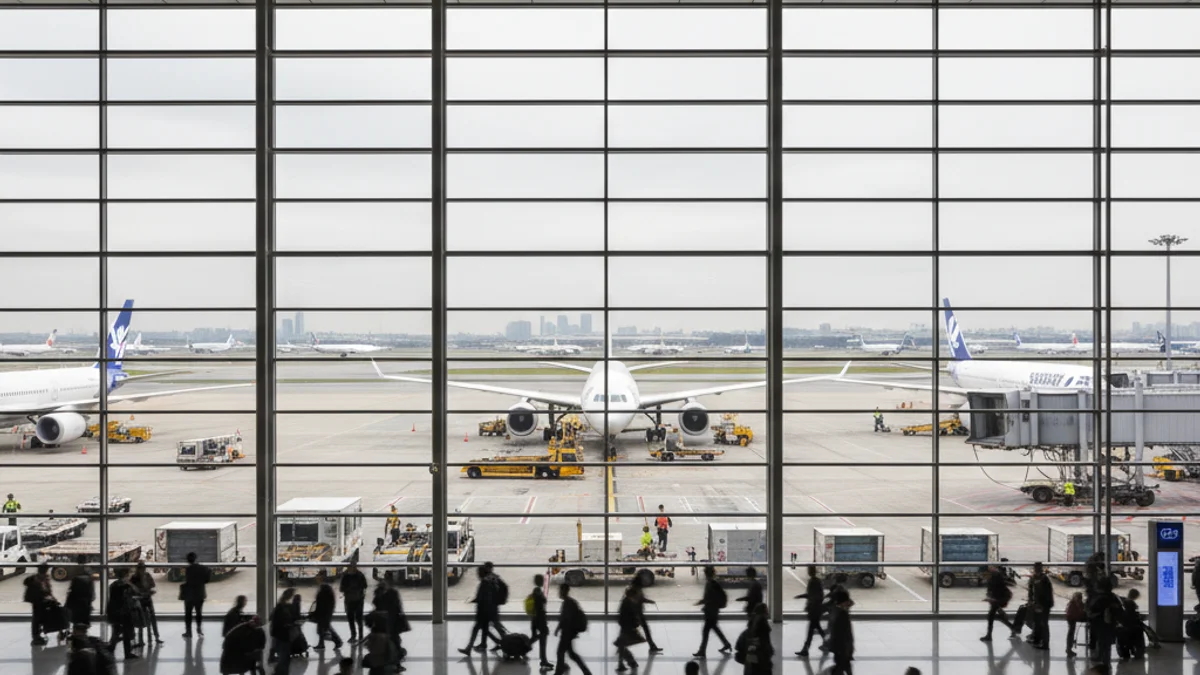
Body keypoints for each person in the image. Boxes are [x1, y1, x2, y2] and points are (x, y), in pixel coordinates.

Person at [460, 563, 505, 655]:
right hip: (491, 609)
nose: (477, 574)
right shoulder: (491, 580)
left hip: (485, 611)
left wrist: (476, 601)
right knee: (486, 629)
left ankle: (469, 648)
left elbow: (483, 598)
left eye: (478, 572)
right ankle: (498, 642)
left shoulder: (485, 582)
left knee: (477, 628)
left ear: (482, 573)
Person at [694, 565, 732, 658]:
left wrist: (704, 602)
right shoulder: (712, 583)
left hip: (711, 611)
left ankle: (702, 651)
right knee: (714, 628)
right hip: (712, 610)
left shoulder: (711, 584)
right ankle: (726, 644)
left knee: (706, 631)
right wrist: (703, 602)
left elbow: (710, 598)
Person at [554, 584, 591, 675]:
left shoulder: (568, 603)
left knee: (560, 652)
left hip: (567, 633)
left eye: (560, 590)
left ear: (564, 591)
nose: (559, 593)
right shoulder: (570, 602)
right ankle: (586, 672)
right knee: (571, 654)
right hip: (569, 632)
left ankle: (559, 672)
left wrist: (559, 628)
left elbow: (566, 619)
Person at [1087, 578, 1121, 667]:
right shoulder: (1113, 597)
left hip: (1100, 623)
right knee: (1106, 642)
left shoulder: (1099, 598)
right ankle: (1105, 659)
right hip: (1110, 623)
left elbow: (1092, 610)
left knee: (1102, 641)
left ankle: (1103, 659)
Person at [106, 568, 138, 661]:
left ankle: (111, 649)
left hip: (114, 611)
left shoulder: (113, 585)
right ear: (125, 575)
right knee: (126, 633)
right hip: (124, 612)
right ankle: (127, 653)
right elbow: (135, 592)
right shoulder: (126, 586)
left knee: (116, 632)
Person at [794, 565, 826, 657]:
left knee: (812, 630)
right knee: (816, 629)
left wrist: (800, 596)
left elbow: (810, 595)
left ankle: (806, 649)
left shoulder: (812, 582)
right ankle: (827, 643)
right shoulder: (818, 581)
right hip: (817, 609)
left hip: (814, 609)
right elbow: (818, 595)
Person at [735, 603, 773, 675]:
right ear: (764, 612)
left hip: (750, 657)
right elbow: (765, 644)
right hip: (761, 660)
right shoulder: (763, 625)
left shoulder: (751, 625)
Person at [181, 551, 212, 638]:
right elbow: (208, 576)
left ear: (188, 560)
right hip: (200, 593)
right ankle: (199, 630)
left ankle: (188, 632)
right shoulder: (203, 568)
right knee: (199, 613)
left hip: (189, 595)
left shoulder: (188, 569)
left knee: (188, 614)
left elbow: (188, 581)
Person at [130, 560, 161, 646]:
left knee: (149, 618)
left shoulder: (138, 577)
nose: (143, 570)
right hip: (143, 599)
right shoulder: (138, 577)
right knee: (143, 619)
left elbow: (152, 585)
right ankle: (148, 638)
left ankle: (153, 637)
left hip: (145, 599)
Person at [980, 564, 1013, 642]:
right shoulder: (991, 577)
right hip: (998, 598)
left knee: (991, 616)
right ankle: (1013, 628)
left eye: (983, 574)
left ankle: (989, 636)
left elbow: (997, 590)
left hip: (1000, 598)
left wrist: (991, 599)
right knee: (999, 616)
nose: (982, 576)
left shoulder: (995, 577)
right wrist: (989, 597)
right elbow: (990, 590)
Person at [24, 562, 54, 646]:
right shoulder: (39, 579)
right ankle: (36, 636)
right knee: (37, 619)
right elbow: (45, 590)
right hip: (39, 601)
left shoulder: (37, 578)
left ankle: (37, 635)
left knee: (37, 618)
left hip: (38, 601)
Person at [630, 577, 662, 655]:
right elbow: (639, 600)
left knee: (645, 630)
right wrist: (649, 601)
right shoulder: (635, 590)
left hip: (638, 613)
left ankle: (652, 645)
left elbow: (640, 599)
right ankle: (652, 646)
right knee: (644, 630)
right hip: (637, 614)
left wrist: (648, 601)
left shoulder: (635, 589)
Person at [270, 589, 298, 675]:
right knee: (284, 659)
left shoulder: (282, 606)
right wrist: (289, 625)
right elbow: (280, 622)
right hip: (282, 636)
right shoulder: (282, 607)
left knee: (284, 659)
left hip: (281, 635)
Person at [615, 586, 643, 672]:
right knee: (621, 646)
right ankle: (629, 662)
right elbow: (632, 617)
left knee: (621, 646)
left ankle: (625, 663)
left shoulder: (625, 602)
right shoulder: (629, 603)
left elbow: (622, 615)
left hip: (625, 627)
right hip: (627, 627)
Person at [340, 560, 369, 644]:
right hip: (358, 599)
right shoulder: (359, 575)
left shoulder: (346, 576)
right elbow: (365, 586)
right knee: (357, 619)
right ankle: (359, 636)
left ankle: (354, 635)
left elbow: (341, 588)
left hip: (350, 600)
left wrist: (348, 590)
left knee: (352, 619)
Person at [1026, 562, 1053, 650]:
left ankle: (1045, 644)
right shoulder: (1035, 578)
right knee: (1037, 622)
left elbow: (1046, 594)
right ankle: (1037, 640)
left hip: (1044, 604)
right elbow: (1031, 591)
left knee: (1043, 623)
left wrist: (1041, 605)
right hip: (1038, 604)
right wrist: (1031, 601)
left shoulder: (1043, 579)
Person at [529, 574, 554, 671]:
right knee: (543, 638)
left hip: (535, 619)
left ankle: (525, 648)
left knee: (537, 637)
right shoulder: (538, 592)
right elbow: (542, 602)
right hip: (540, 619)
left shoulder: (535, 591)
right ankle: (543, 660)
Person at [312, 582, 345, 652]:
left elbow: (319, 606)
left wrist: (315, 614)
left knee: (322, 630)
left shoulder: (321, 595)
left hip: (322, 615)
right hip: (326, 614)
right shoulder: (329, 597)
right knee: (323, 629)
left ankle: (337, 641)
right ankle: (323, 643)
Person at [827, 593, 854, 675]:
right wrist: (848, 649)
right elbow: (845, 634)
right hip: (843, 649)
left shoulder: (837, 612)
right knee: (844, 668)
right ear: (843, 602)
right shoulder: (843, 614)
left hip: (840, 648)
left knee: (843, 668)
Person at [65, 555, 95, 627]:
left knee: (76, 618)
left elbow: (72, 587)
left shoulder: (75, 570)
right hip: (85, 599)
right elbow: (91, 586)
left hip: (76, 599)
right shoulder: (88, 570)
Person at [1117, 588, 1146, 661]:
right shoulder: (1131, 604)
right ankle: (1136, 652)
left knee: (1125, 640)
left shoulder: (1123, 602)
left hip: (1125, 626)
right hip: (1133, 626)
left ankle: (1126, 653)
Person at [1065, 591, 1085, 658]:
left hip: (1072, 618)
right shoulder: (1073, 605)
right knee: (1071, 632)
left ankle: (1069, 648)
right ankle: (1068, 649)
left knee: (1071, 632)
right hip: (1071, 618)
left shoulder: (1073, 604)